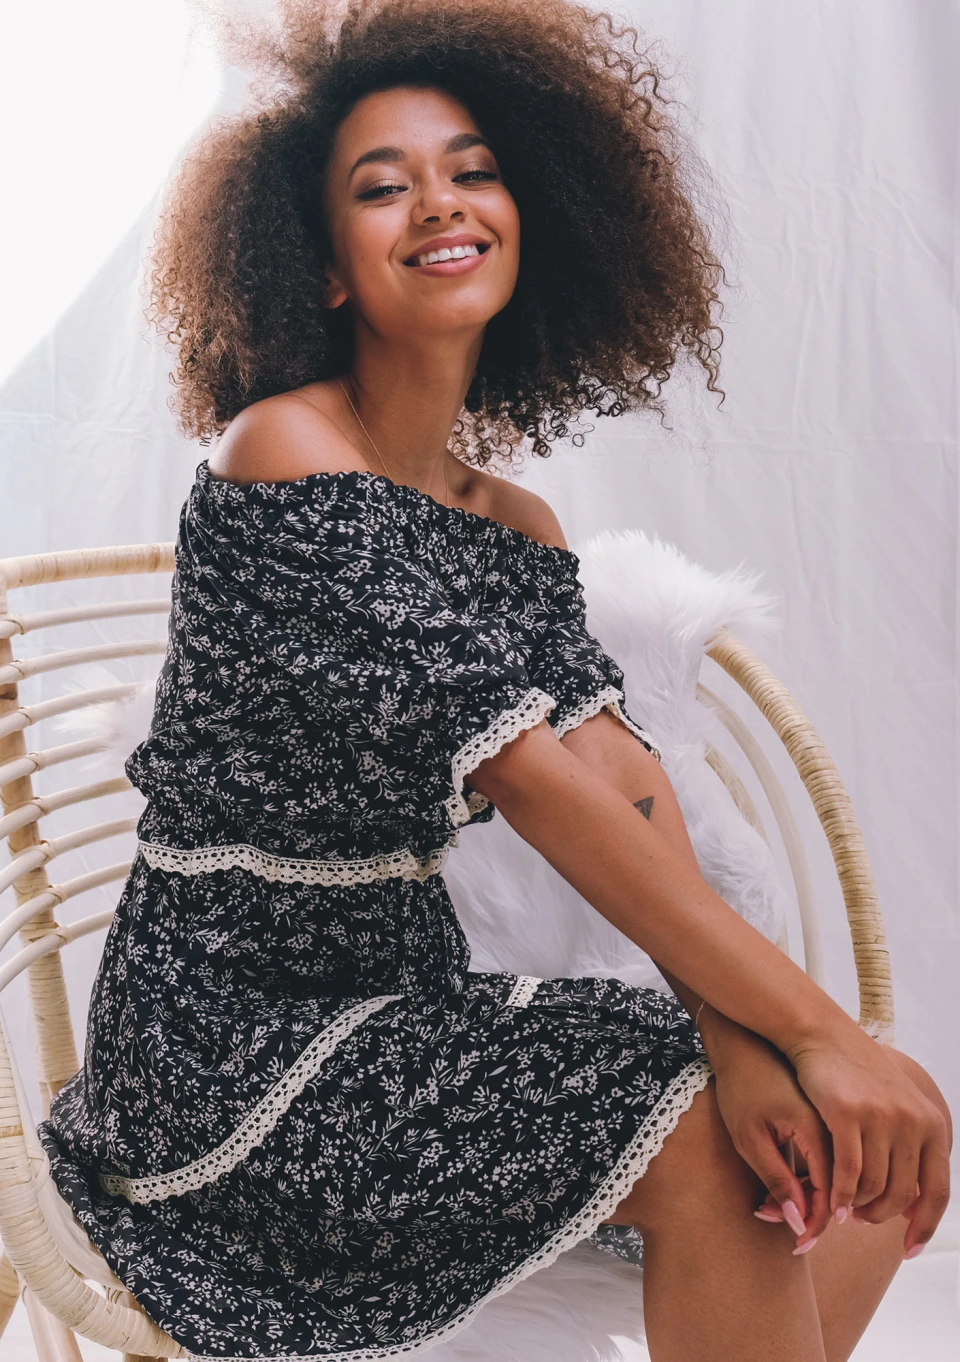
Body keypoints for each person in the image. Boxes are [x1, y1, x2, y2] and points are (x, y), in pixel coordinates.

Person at [38, 2, 951, 1359]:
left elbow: (621, 778)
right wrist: (815, 1028)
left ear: (533, 217)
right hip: (222, 1060)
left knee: (858, 1135)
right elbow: (528, 780)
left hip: (405, 1016)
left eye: (471, 170)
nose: (439, 203)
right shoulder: (282, 454)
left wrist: (761, 1040)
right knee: (733, 1117)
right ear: (323, 268)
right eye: (381, 186)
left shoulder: (517, 525)